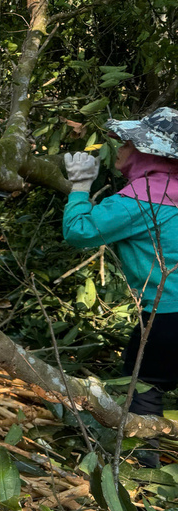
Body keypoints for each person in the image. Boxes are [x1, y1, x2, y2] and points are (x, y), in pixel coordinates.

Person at [62, 107, 178, 467]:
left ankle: (147, 473)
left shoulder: (140, 199)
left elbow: (79, 231)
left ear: (147, 152)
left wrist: (80, 187)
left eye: (128, 143)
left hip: (168, 315)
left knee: (142, 388)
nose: (120, 148)